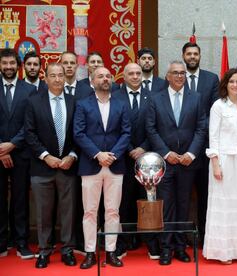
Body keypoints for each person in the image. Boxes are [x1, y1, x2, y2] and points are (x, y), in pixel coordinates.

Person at [146, 61, 206, 266]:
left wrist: (191, 153)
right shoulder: (155, 99)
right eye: (175, 73)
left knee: (184, 205)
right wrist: (166, 153)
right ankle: (166, 248)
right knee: (167, 206)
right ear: (168, 76)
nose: (180, 76)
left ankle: (181, 247)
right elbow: (151, 129)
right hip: (166, 163)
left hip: (188, 162)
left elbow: (201, 128)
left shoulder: (196, 98)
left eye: (182, 73)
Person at [74, 67, 131, 269]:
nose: (105, 79)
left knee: (113, 211)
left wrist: (112, 155)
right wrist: (98, 154)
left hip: (115, 165)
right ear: (92, 80)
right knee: (89, 212)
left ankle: (111, 252)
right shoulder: (82, 104)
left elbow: (126, 133)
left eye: (108, 76)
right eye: (100, 76)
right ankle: (90, 252)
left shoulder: (122, 104)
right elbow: (79, 133)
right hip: (91, 164)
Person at [24, 63, 78, 268]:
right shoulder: (33, 102)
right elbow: (29, 133)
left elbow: (78, 133)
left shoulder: (74, 102)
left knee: (68, 211)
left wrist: (72, 156)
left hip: (67, 166)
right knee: (43, 212)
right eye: (52, 76)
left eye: (60, 75)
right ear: (45, 78)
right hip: (42, 167)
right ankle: (44, 251)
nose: (57, 79)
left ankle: (67, 250)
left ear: (65, 78)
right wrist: (46, 156)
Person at [203, 68, 237, 264]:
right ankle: (223, 252)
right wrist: (215, 164)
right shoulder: (218, 106)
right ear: (225, 84)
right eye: (232, 81)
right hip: (225, 160)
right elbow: (213, 136)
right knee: (224, 203)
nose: (235, 84)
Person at [112, 63, 160, 260]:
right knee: (123, 203)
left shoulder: (154, 97)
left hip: (147, 159)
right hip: (122, 157)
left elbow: (156, 126)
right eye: (130, 73)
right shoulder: (115, 97)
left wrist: (143, 148)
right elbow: (115, 127)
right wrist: (131, 149)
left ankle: (151, 243)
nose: (135, 76)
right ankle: (123, 243)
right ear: (123, 76)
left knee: (148, 201)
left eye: (138, 73)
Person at [182, 42, 219, 244]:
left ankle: (206, 236)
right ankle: (185, 236)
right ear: (183, 56)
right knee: (184, 197)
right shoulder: (174, 78)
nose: (192, 57)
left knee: (205, 196)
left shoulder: (211, 79)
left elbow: (214, 110)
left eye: (196, 53)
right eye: (189, 54)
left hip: (204, 148)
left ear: (200, 56)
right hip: (181, 149)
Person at [0, 48, 36, 259]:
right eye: (4, 63)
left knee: (21, 200)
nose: (8, 67)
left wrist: (11, 145)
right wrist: (1, 148)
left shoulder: (28, 90)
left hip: (21, 153)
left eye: (12, 63)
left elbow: (30, 124)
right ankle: (2, 242)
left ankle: (22, 242)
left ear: (18, 65)